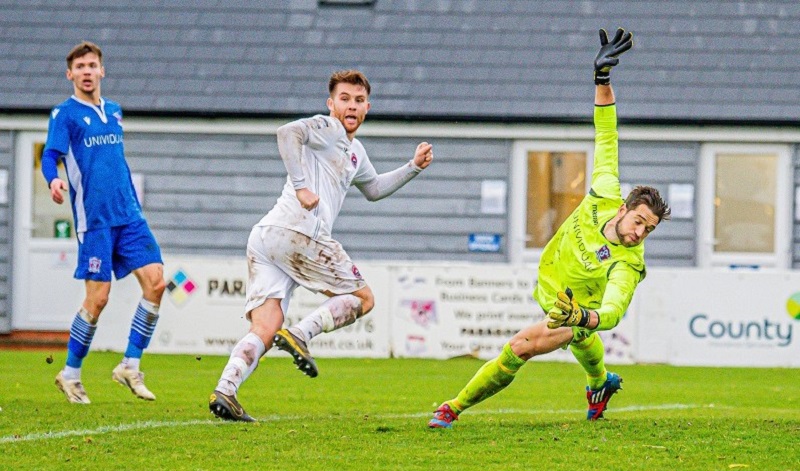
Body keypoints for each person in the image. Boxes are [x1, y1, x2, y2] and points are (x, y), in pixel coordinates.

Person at [428, 27, 671, 428]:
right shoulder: (604, 191)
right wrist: (602, 79)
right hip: (548, 285)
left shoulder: (628, 264)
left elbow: (611, 312)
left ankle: (451, 408)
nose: (639, 233)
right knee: (586, 351)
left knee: (519, 348)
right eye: (639, 222)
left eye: (648, 231)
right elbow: (607, 134)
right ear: (625, 208)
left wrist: (583, 317)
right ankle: (599, 383)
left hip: (570, 312)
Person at [209, 69, 434, 422]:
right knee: (364, 298)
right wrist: (300, 186)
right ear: (331, 104)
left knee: (265, 327)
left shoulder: (354, 150)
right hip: (300, 231)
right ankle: (301, 333)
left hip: (267, 236)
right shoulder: (326, 128)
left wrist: (412, 167)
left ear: (367, 108)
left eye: (359, 101)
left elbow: (373, 188)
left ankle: (226, 389)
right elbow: (286, 133)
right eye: (344, 99)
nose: (351, 106)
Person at [43, 41, 166, 404]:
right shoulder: (64, 114)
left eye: (92, 65)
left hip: (129, 215)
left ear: (101, 71)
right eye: (79, 66)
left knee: (157, 283)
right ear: (70, 74)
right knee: (98, 299)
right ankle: (70, 374)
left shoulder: (113, 111)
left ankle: (130, 364)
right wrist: (53, 179)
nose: (86, 71)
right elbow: (51, 155)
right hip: (94, 220)